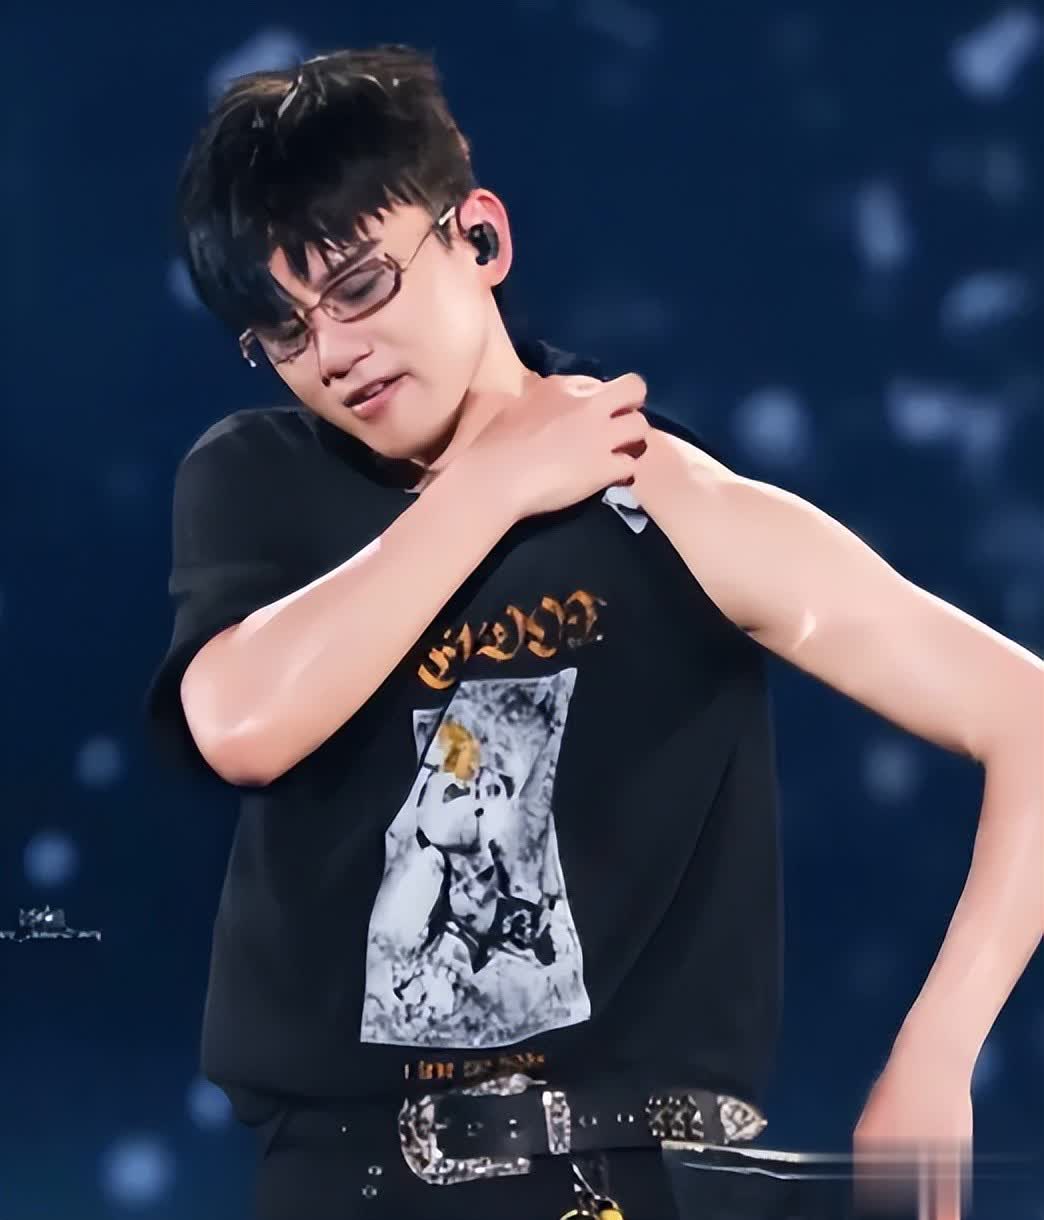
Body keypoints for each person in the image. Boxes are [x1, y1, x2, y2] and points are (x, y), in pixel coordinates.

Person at [146, 43, 1043, 1220]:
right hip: (338, 1178)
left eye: (360, 286)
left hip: (620, 1176)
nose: (334, 352)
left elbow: (1029, 718)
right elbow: (242, 723)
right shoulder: (255, 480)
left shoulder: (661, 497)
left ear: (479, 237)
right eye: (283, 329)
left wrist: (934, 1058)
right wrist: (494, 481)